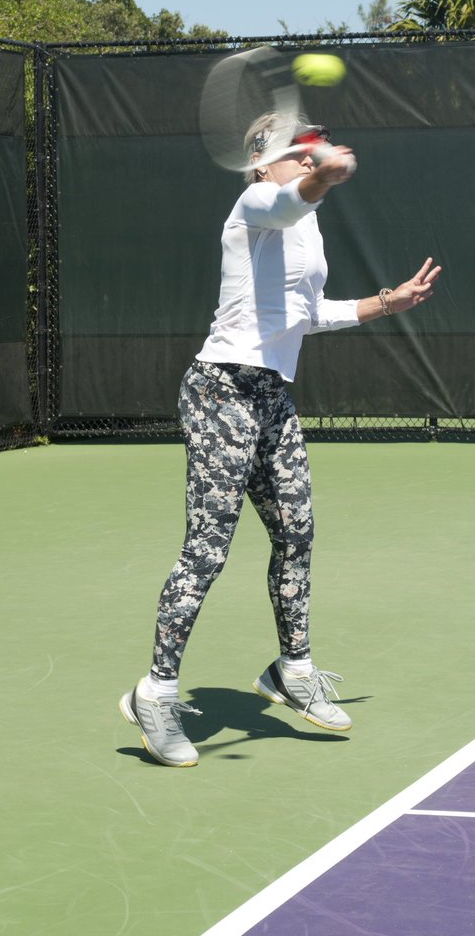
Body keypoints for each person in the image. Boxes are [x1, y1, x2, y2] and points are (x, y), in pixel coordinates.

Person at [120, 114, 442, 767]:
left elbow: (307, 313)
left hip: (272, 397)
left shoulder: (305, 223)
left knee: (297, 534)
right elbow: (296, 196)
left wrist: (387, 302)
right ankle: (155, 693)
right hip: (220, 393)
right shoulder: (257, 203)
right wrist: (325, 175)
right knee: (207, 551)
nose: (307, 156)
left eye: (312, 148)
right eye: (297, 150)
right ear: (262, 165)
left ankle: (291, 671)